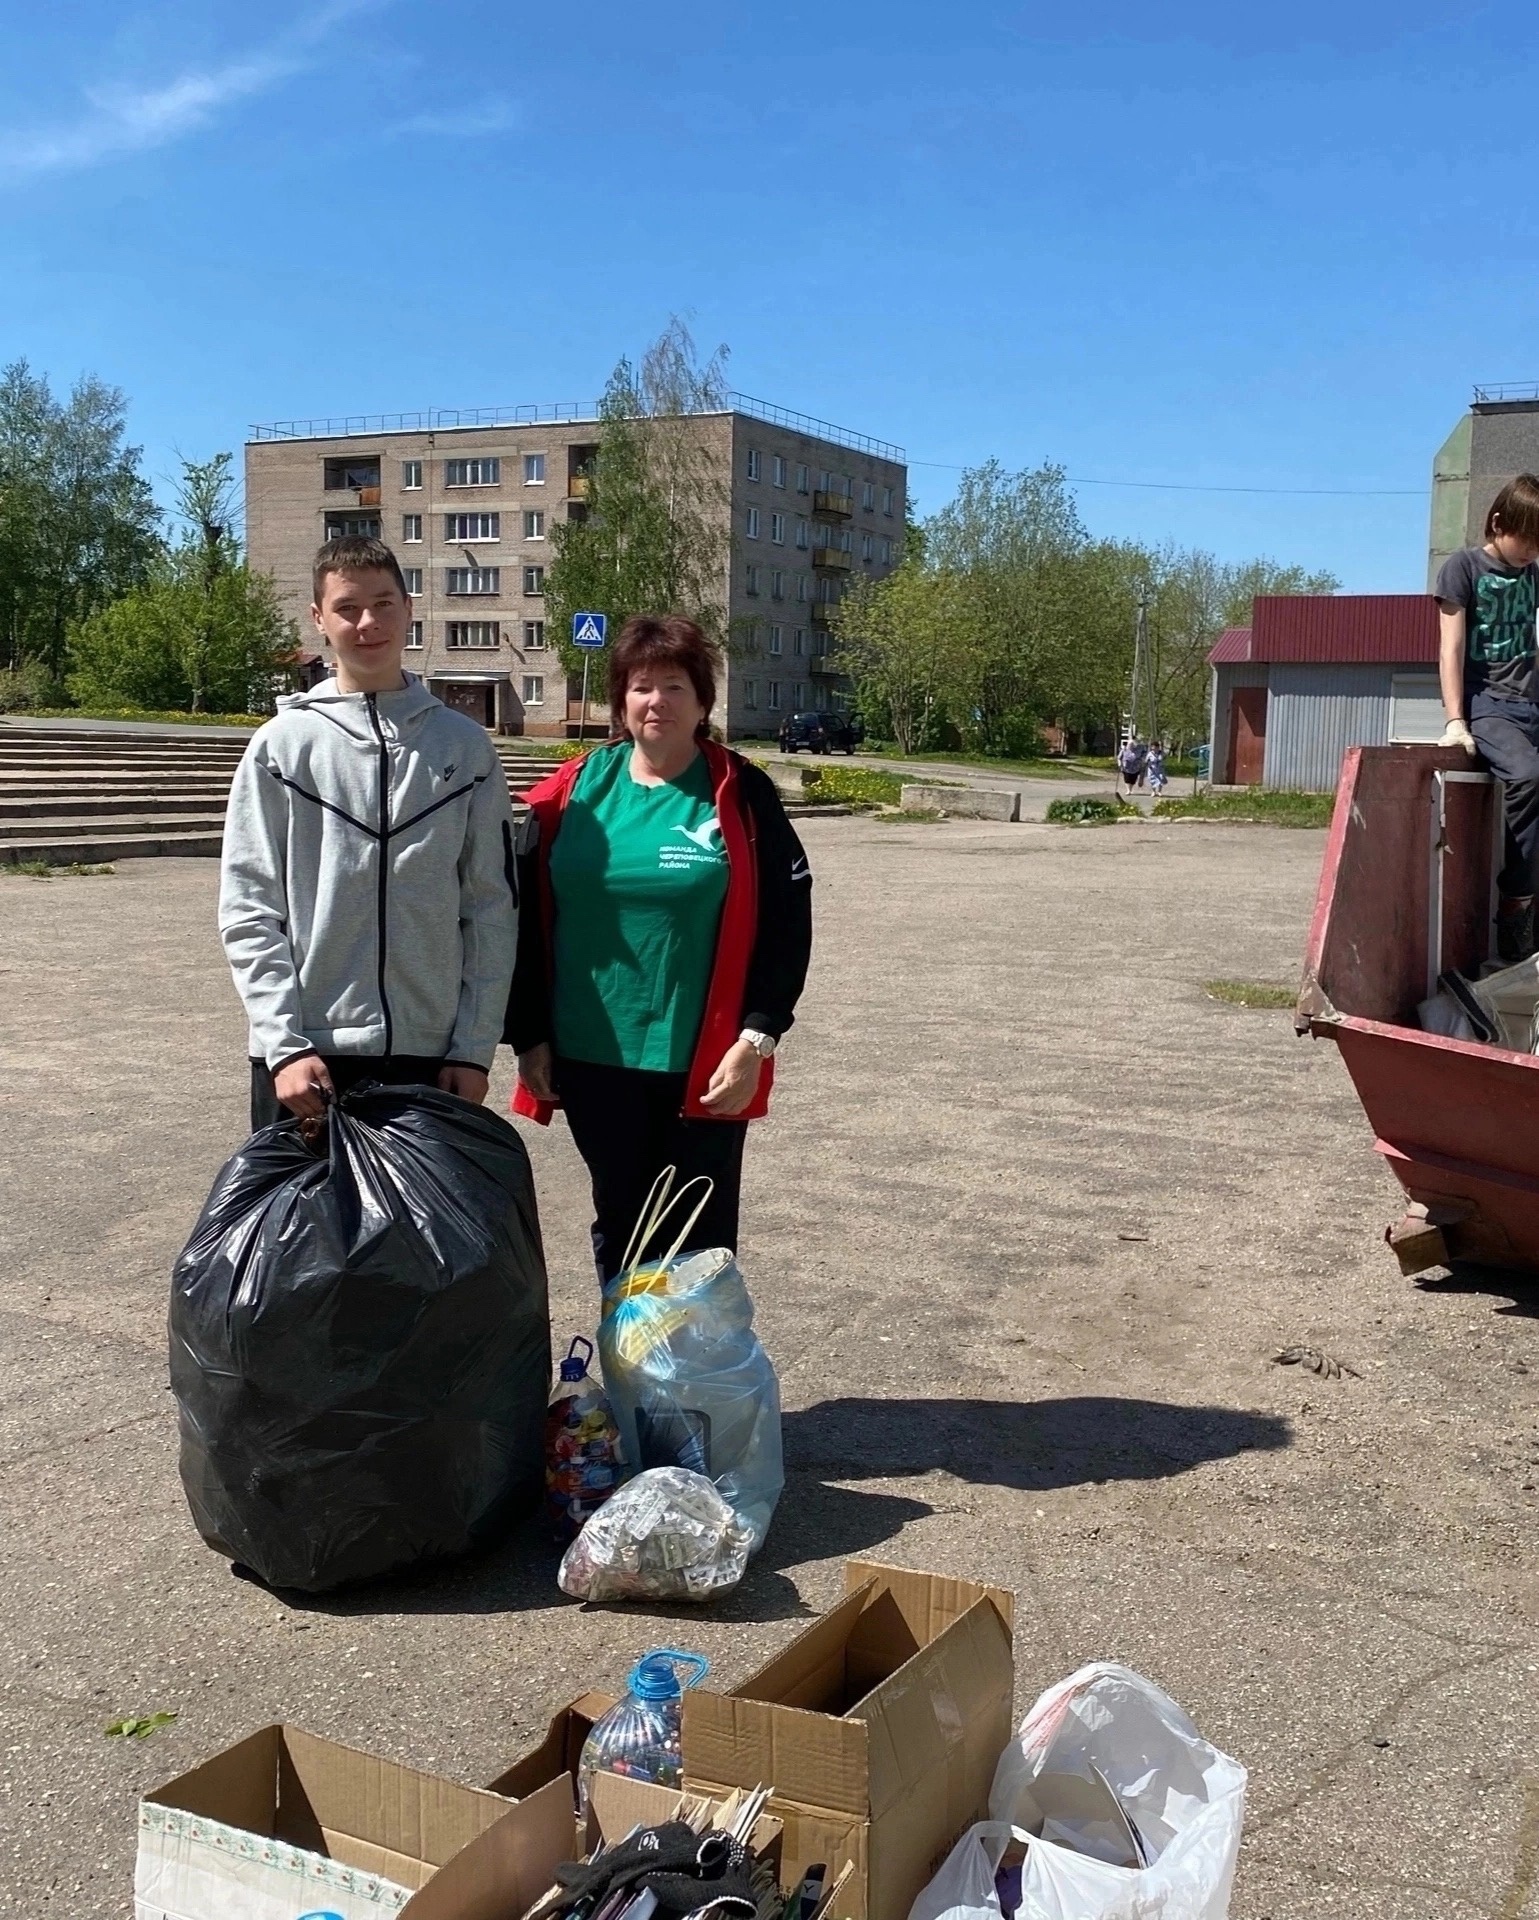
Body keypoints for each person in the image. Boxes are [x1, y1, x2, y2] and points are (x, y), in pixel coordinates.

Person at [506, 613, 813, 1280]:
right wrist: (528, 1034)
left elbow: (788, 921)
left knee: (696, 1233)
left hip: (705, 1057)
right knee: (623, 1221)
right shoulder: (573, 792)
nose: (657, 702)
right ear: (619, 700)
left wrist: (757, 1038)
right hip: (592, 1053)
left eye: (675, 686)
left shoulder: (740, 792)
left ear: (702, 700)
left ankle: (692, 1382)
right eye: (642, 686)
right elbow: (524, 920)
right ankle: (630, 1375)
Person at [219, 535, 518, 1130]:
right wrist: (284, 1043)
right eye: (347, 607)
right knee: (298, 1225)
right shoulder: (281, 746)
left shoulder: (465, 746)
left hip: (430, 1053)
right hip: (308, 1057)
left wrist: (472, 1046)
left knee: (422, 1227)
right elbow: (249, 907)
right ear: (319, 619)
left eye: (383, 604)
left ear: (409, 608)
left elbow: (490, 907)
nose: (367, 622)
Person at [1436, 474, 1539, 962]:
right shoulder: (1464, 567)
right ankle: (1516, 904)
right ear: (1499, 523)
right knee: (1526, 775)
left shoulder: (1533, 575)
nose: (1532, 552)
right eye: (1528, 539)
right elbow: (1451, 646)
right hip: (1488, 701)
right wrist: (1456, 718)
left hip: (1531, 700)